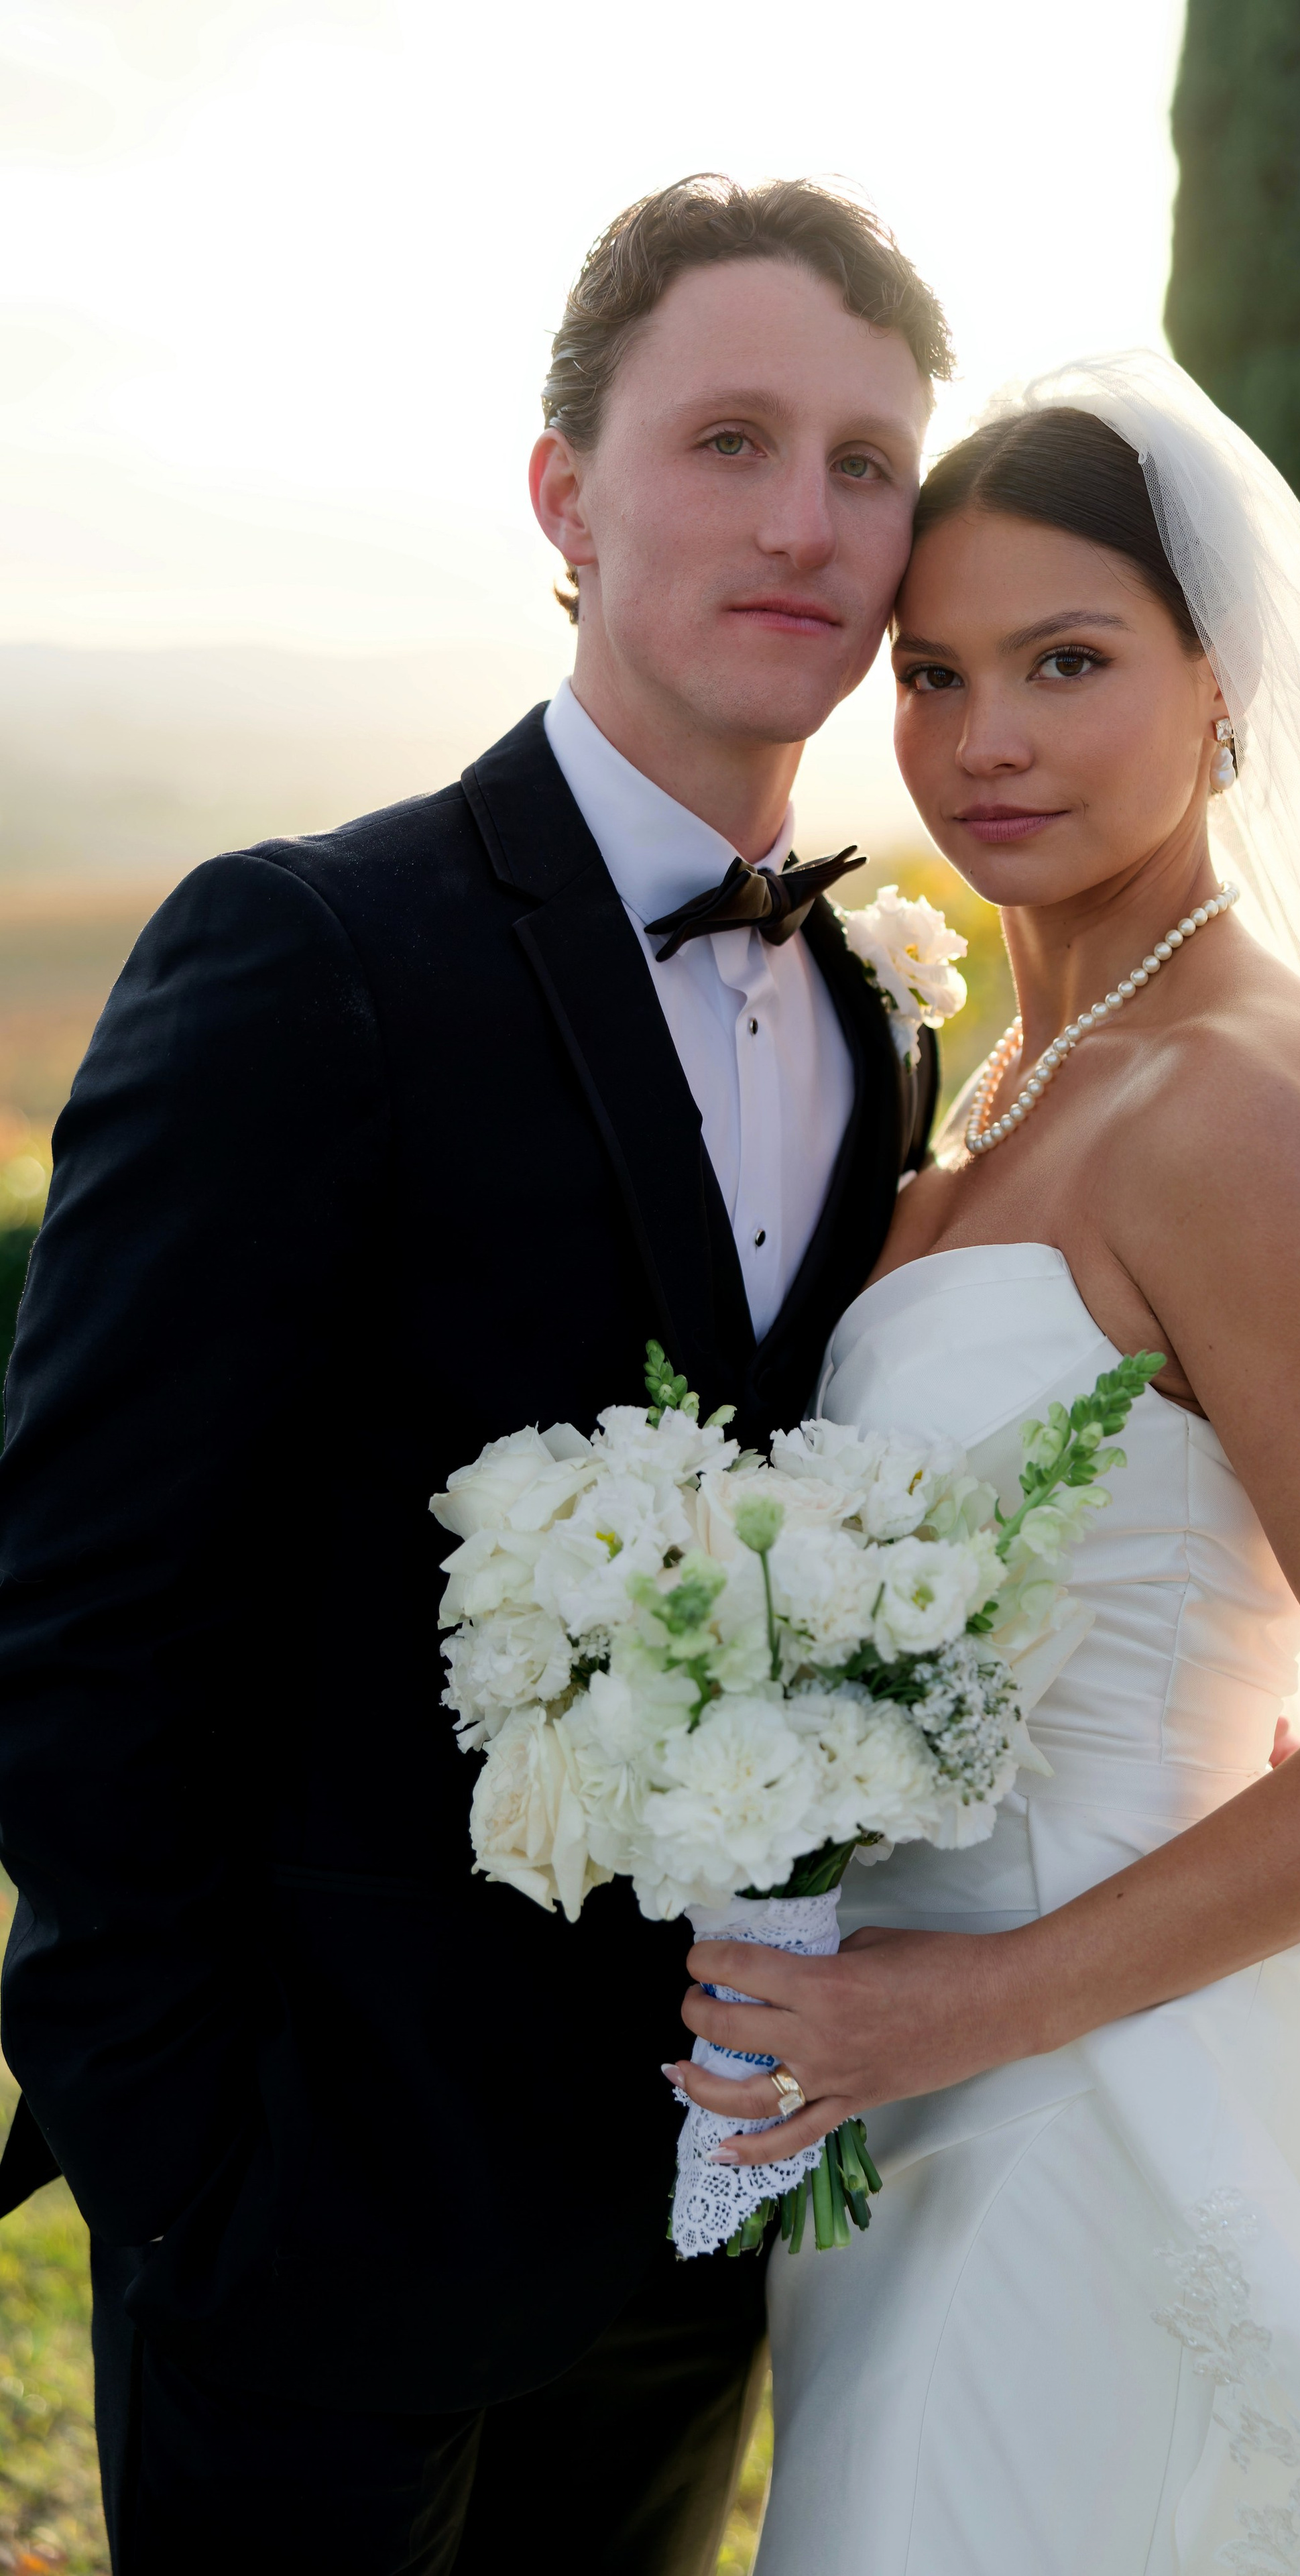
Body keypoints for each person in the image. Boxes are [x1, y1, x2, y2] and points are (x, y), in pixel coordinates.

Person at [670, 368, 1300, 2570]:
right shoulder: (998, 1077)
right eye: (939, 676)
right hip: (906, 2099)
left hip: (1102, 2109)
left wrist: (960, 2004)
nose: (989, 744)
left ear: (1225, 688)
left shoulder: (1247, 1098)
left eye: (1071, 665)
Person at [0, 174, 949, 2573]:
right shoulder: (306, 951)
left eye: (866, 462)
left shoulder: (876, 1014)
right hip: (312, 2225)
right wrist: (183, 2164)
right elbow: (86, 1608)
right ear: (565, 490)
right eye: (730, 436)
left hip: (692, 2218)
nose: (806, 519)